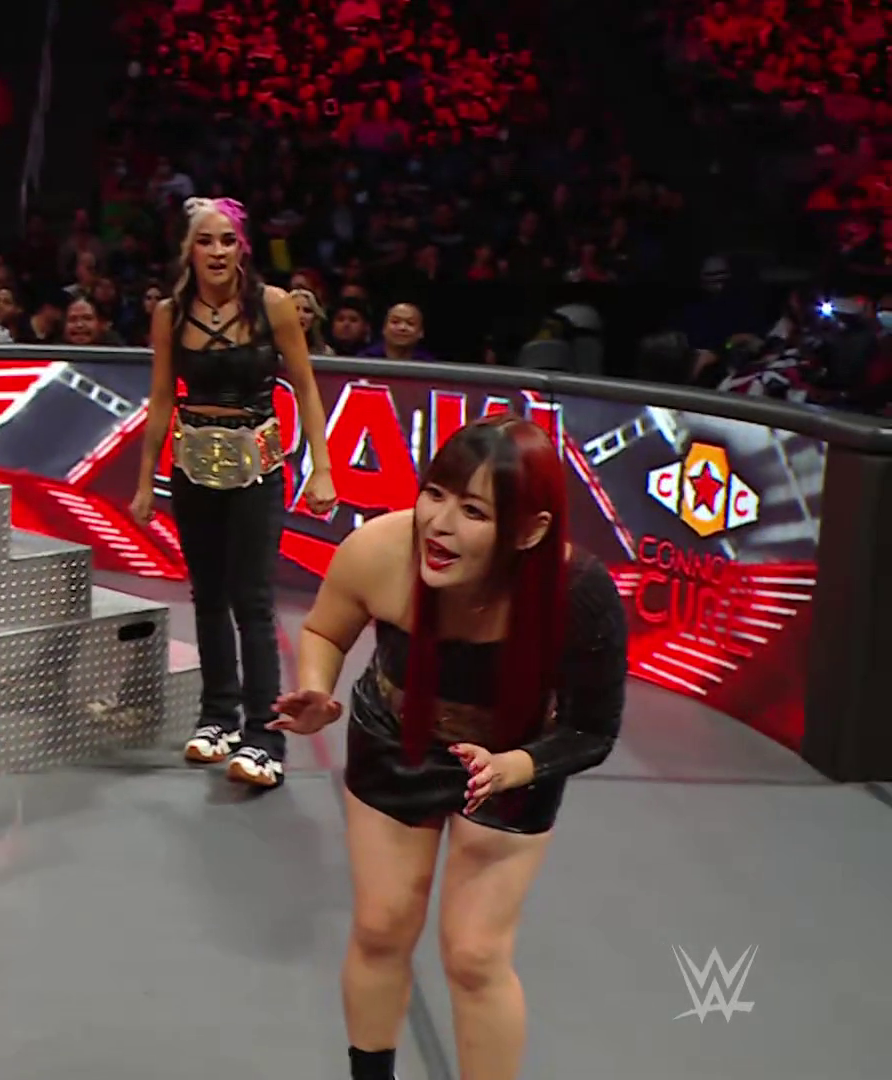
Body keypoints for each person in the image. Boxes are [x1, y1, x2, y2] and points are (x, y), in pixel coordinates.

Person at [267, 416, 627, 1080]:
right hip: (395, 736)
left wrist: (511, 768)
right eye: (434, 494)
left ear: (529, 531)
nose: (439, 524)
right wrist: (317, 688)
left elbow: (593, 731)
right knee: (381, 928)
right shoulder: (379, 548)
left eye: (474, 511)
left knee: (475, 956)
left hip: (516, 757)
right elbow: (325, 631)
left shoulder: (578, 594)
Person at [130, 196, 338, 789]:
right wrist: (145, 482)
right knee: (207, 597)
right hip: (193, 467)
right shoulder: (170, 314)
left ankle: (264, 737)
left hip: (257, 468)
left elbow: (306, 388)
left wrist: (322, 469)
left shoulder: (273, 305)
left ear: (242, 247)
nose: (217, 251)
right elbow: (161, 399)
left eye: (227, 240)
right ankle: (218, 717)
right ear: (188, 250)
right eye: (205, 241)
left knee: (252, 600)